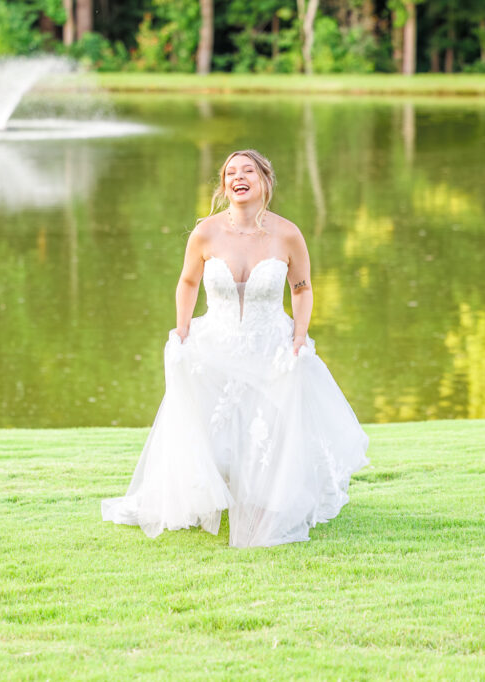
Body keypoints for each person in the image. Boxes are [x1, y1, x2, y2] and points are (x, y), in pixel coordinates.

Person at [102, 149, 370, 548]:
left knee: (267, 428)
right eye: (231, 172)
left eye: (248, 171)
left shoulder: (287, 233)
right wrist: (182, 331)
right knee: (209, 425)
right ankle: (202, 495)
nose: (238, 178)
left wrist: (299, 337)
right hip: (216, 343)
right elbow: (188, 282)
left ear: (264, 181)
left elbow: (302, 288)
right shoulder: (206, 233)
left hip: (270, 345)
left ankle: (270, 499)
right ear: (224, 184)